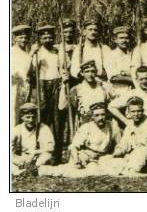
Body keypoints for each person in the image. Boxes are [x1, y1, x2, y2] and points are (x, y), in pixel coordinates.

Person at [39, 102, 122, 177]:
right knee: (76, 172)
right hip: (85, 157)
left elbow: (120, 145)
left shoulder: (113, 127)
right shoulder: (86, 127)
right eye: (97, 115)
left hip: (103, 158)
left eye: (102, 114)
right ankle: (46, 170)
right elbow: (73, 147)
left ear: (106, 114)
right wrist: (76, 161)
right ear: (92, 116)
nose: (100, 118)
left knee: (116, 167)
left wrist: (114, 154)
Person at [30, 23, 65, 162]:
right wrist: (32, 54)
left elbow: (62, 68)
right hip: (42, 84)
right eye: (44, 37)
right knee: (43, 118)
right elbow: (31, 72)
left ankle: (56, 155)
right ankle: (41, 152)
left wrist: (64, 76)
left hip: (56, 83)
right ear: (40, 38)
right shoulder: (37, 53)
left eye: (50, 36)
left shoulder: (58, 52)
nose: (48, 39)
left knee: (57, 119)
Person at [12, 102, 55, 176]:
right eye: (28, 117)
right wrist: (18, 160)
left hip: (37, 158)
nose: (31, 120)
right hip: (22, 158)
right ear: (22, 117)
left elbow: (50, 148)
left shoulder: (43, 128)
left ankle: (34, 169)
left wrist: (35, 152)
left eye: (33, 117)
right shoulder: (17, 129)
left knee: (47, 155)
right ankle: (20, 172)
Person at [70, 59, 110, 126]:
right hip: (85, 122)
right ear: (82, 73)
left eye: (93, 71)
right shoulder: (77, 89)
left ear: (96, 72)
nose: (90, 74)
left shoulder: (103, 87)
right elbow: (62, 107)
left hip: (101, 121)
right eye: (87, 71)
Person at [11, 24, 32, 127]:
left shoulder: (26, 54)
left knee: (22, 113)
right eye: (21, 37)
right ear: (15, 38)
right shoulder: (11, 52)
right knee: (13, 113)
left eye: (26, 37)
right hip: (13, 87)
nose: (24, 40)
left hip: (24, 87)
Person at [104, 25, 134, 95]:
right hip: (117, 91)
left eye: (127, 38)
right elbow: (114, 78)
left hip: (132, 90)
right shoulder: (111, 55)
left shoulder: (132, 55)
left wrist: (123, 73)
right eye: (121, 38)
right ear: (115, 40)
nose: (124, 41)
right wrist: (133, 79)